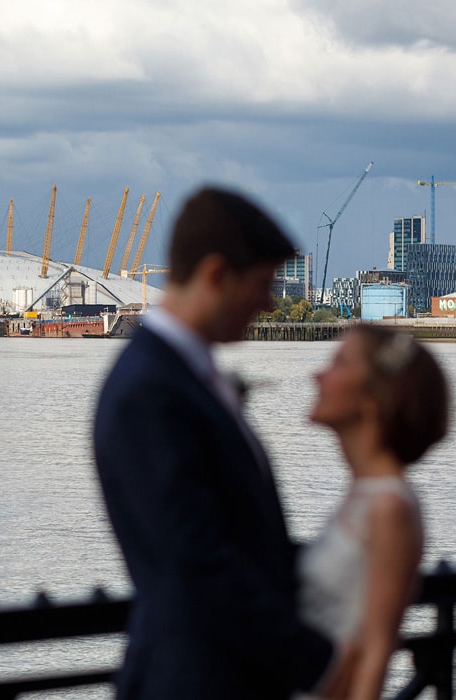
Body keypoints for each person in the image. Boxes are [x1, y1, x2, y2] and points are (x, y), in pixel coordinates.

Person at [93, 187, 349, 700]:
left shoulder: (178, 378)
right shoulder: (149, 392)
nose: (270, 301)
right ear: (214, 275)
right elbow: (193, 559)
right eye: (262, 283)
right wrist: (318, 662)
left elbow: (236, 536)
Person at [297, 325, 449, 700]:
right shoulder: (363, 494)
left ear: (372, 397)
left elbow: (376, 651)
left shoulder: (389, 507)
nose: (317, 375)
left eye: (339, 363)